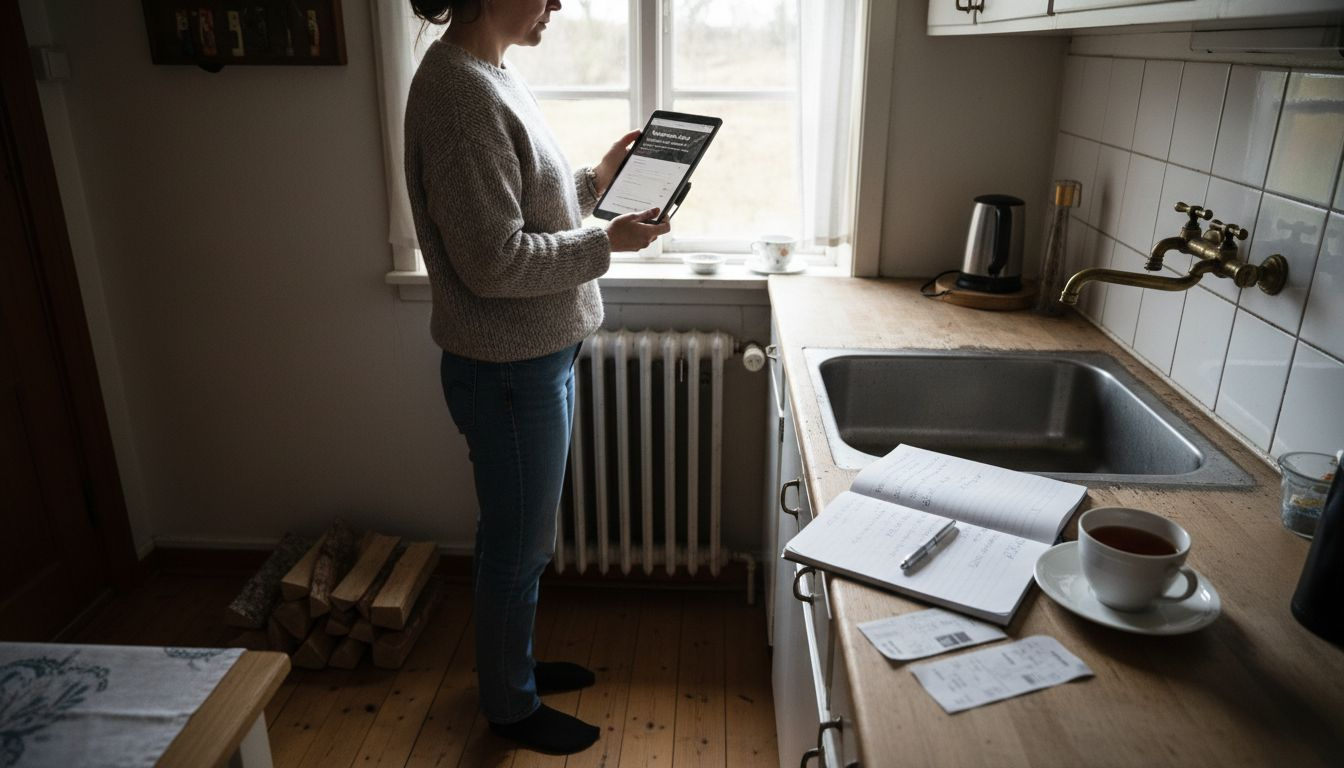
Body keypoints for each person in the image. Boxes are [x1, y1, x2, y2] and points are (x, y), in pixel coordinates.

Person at [403, 0, 670, 756]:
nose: (558, 2)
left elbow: (528, 210)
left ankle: (508, 668)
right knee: (519, 549)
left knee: (512, 540)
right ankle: (509, 707)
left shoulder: (491, 76)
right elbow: (495, 263)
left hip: (532, 358)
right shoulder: (459, 96)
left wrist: (597, 180)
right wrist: (607, 242)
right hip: (508, 369)